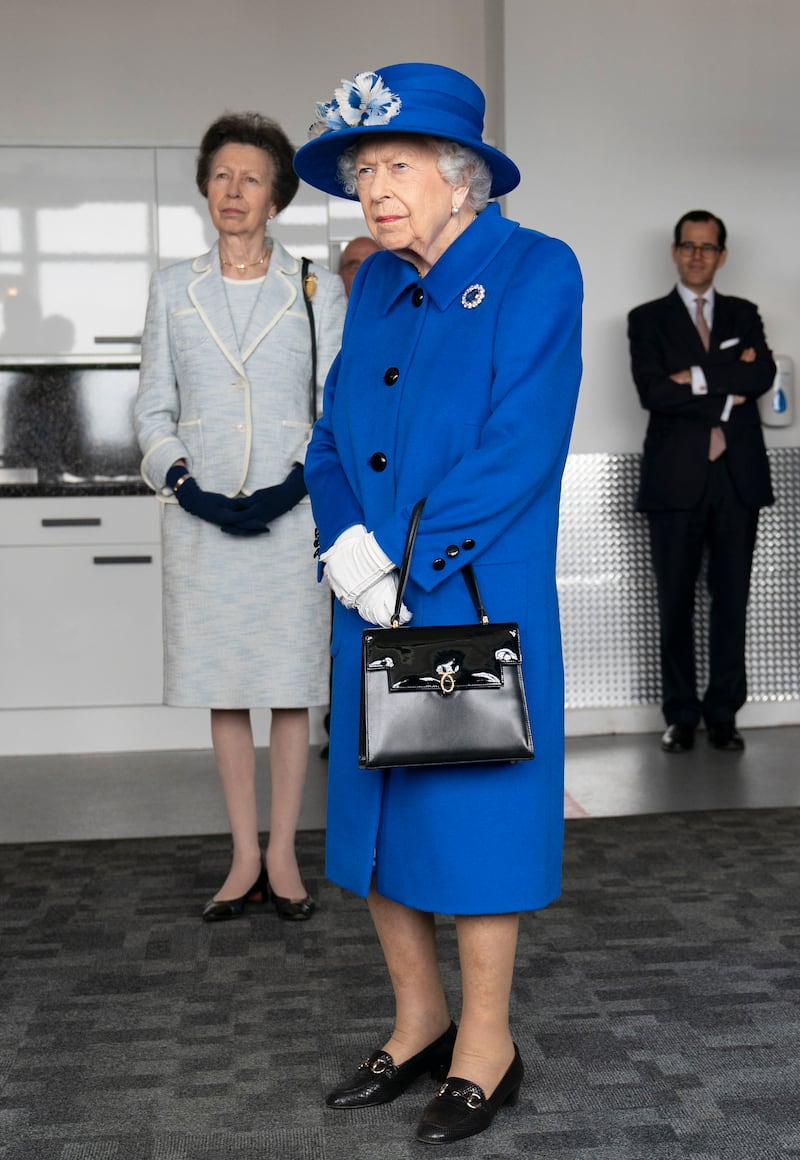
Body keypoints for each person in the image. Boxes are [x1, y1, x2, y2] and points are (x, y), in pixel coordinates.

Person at [294, 63, 582, 1145]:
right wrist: (342, 546)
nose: (372, 186)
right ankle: (416, 1020)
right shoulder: (371, 281)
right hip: (364, 591)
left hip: (463, 596)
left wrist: (402, 561)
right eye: (363, 168)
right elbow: (327, 438)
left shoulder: (535, 271)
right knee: (379, 819)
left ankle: (486, 1043)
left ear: (460, 177)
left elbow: (521, 447)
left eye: (395, 164)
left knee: (470, 825)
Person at [134, 112, 347, 922]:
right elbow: (152, 406)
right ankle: (241, 855)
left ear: (277, 195)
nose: (233, 190)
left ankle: (285, 854)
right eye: (221, 175)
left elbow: (335, 407)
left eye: (250, 177)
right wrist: (182, 483)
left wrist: (297, 488)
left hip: (292, 514)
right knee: (225, 687)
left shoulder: (317, 285)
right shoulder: (170, 287)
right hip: (202, 513)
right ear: (204, 186)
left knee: (290, 687)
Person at [628, 210, 775, 755]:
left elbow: (761, 377)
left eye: (707, 248)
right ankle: (681, 715)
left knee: (731, 601)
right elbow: (653, 393)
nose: (697, 255)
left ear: (721, 255)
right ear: (674, 251)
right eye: (688, 246)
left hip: (737, 480)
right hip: (674, 482)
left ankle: (723, 714)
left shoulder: (745, 313)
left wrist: (696, 378)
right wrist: (729, 384)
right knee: (675, 602)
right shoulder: (647, 320)